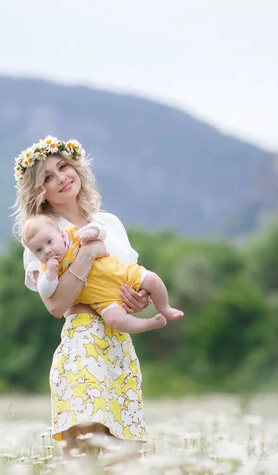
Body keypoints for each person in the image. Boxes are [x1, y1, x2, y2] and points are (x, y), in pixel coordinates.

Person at [13, 135, 156, 457]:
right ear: (39, 191)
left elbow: (128, 278)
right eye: (47, 177)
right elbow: (56, 304)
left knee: (127, 449)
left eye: (63, 167)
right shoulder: (40, 234)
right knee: (83, 442)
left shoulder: (109, 223)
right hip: (84, 340)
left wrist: (138, 300)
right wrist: (87, 254)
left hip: (119, 341)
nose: (61, 178)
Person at [21, 214, 184, 334]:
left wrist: (92, 233)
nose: (47, 251)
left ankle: (164, 307)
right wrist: (50, 273)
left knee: (152, 279)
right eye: (39, 250)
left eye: (49, 242)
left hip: (121, 274)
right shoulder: (47, 268)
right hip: (101, 300)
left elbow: (100, 232)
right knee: (115, 320)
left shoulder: (73, 234)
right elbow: (48, 294)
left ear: (61, 235)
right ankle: (146, 324)